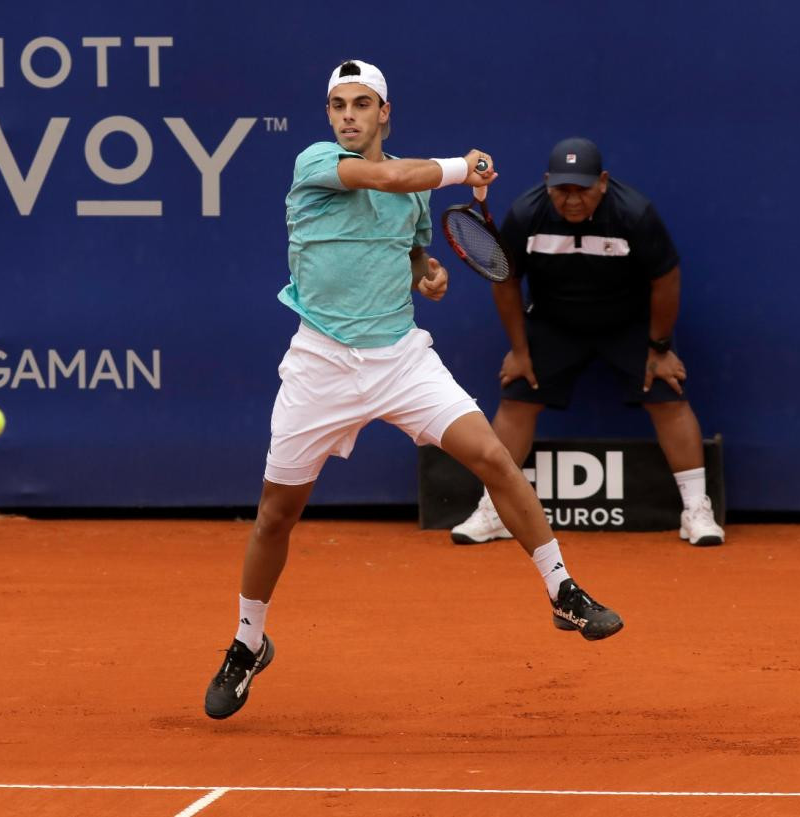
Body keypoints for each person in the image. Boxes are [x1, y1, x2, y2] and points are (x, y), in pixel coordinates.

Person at [203, 61, 624, 721]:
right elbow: (390, 175)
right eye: (338, 105)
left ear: (384, 114)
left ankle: (563, 589)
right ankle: (247, 642)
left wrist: (425, 275)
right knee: (275, 515)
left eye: (361, 105)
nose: (348, 116)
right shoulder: (316, 161)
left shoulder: (413, 191)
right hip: (320, 362)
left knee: (492, 457)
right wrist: (466, 165)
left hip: (400, 359)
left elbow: (411, 251)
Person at [450, 137, 725, 548]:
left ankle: (696, 511)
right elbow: (506, 280)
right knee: (517, 397)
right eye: (562, 189)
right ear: (547, 183)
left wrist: (660, 348)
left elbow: (666, 280)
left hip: (628, 324)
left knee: (668, 392)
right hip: (552, 323)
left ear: (603, 182)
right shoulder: (527, 213)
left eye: (582, 188)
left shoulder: (634, 213)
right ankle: (495, 510)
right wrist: (521, 351)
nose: (572, 199)